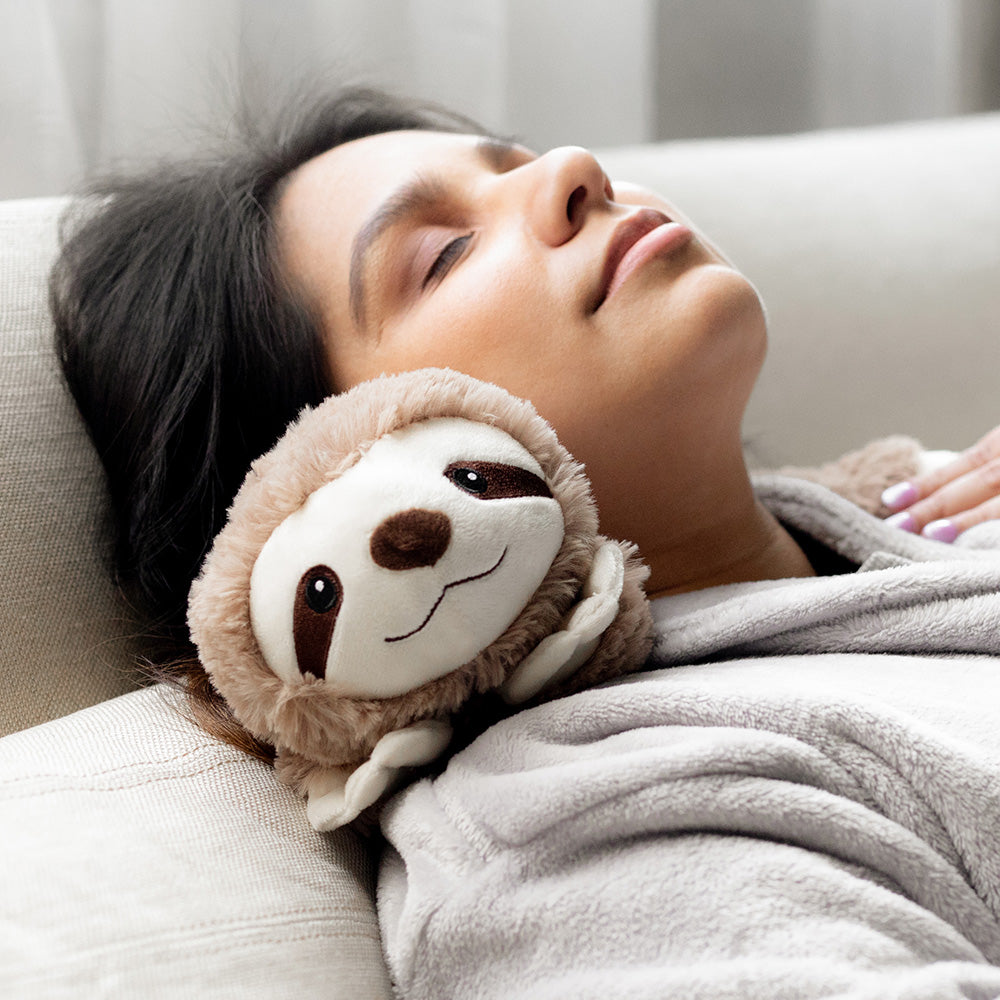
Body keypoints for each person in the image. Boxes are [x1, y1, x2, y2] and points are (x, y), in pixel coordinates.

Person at [52, 84, 1000, 995]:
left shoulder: (928, 507)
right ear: (329, 484)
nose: (575, 169)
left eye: (521, 163)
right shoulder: (591, 820)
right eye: (445, 253)